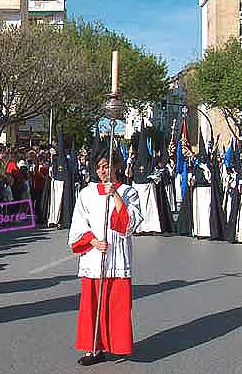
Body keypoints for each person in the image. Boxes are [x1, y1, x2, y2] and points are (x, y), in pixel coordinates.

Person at [67, 146, 143, 366]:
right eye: (99, 167)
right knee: (92, 306)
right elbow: (78, 225)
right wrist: (92, 240)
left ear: (116, 166)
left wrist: (115, 194)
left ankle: (117, 345)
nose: (103, 171)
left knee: (116, 305)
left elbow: (129, 223)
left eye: (107, 166)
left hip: (117, 256)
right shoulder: (87, 193)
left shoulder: (129, 192)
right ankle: (94, 348)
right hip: (94, 256)